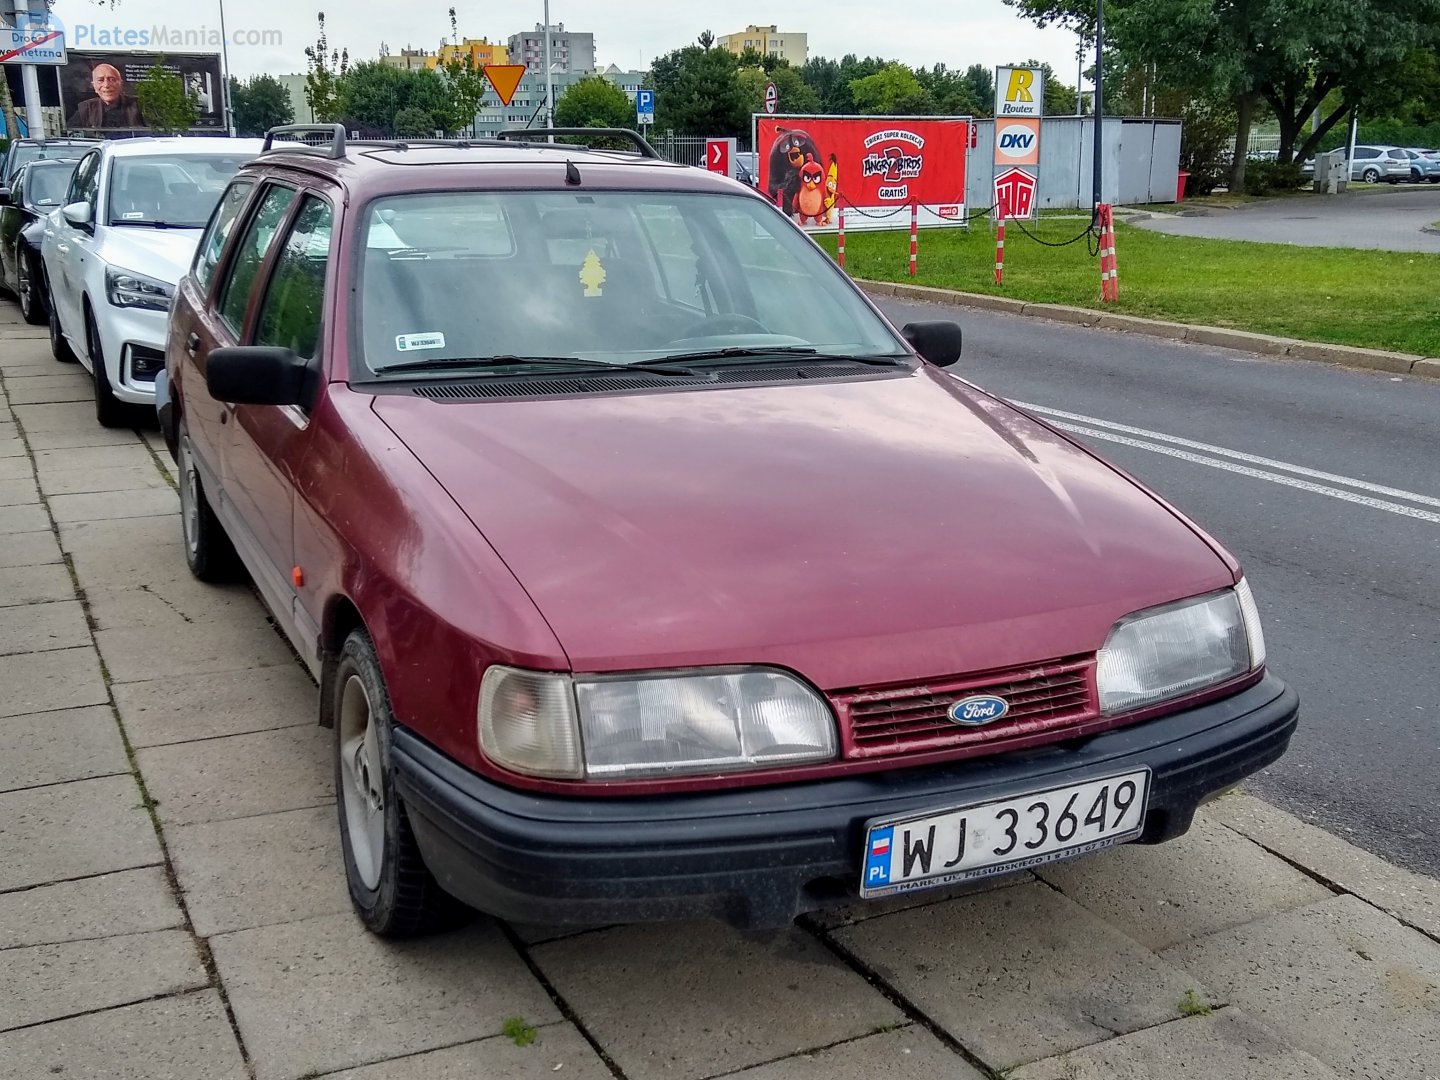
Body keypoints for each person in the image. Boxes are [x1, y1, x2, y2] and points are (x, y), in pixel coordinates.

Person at [67, 63, 146, 129]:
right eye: (100, 80)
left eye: (112, 79)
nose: (106, 85)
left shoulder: (139, 105)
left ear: (121, 84)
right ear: (94, 86)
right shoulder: (86, 109)